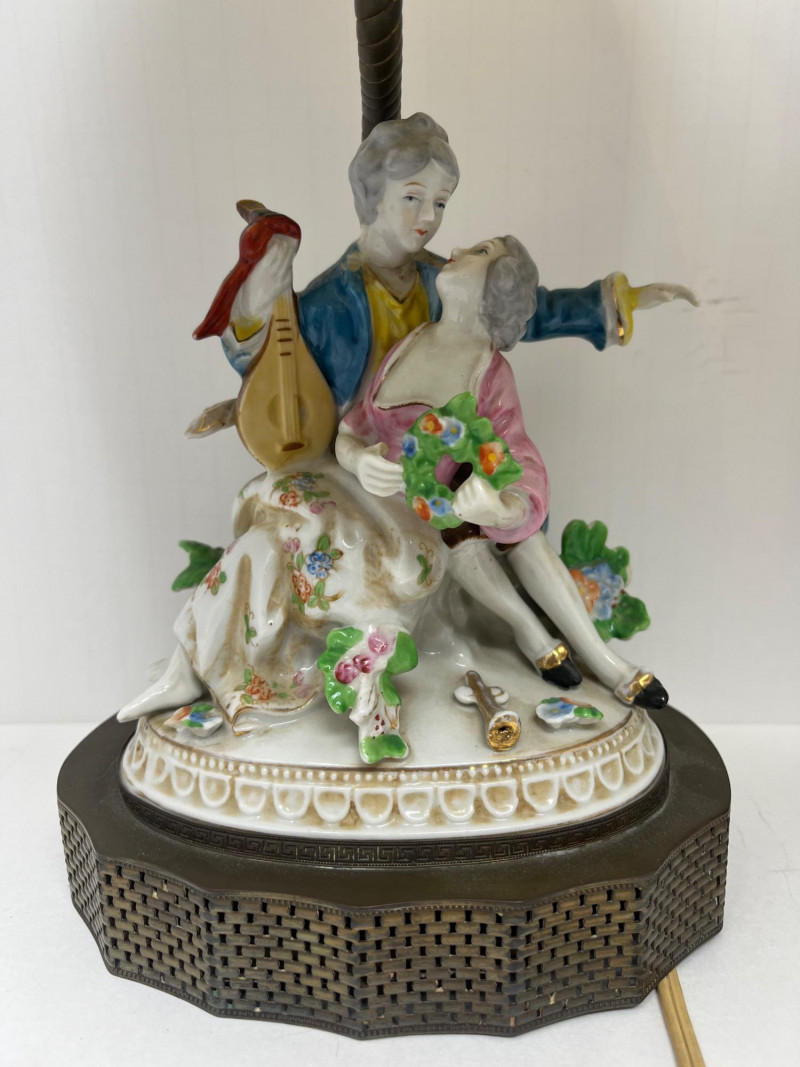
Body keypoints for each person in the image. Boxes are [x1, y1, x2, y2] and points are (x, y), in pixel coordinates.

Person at [335, 235, 667, 709]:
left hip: (444, 502)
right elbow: (354, 426)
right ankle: (531, 633)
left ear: (500, 283)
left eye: (481, 251)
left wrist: (500, 507)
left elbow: (515, 451)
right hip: (382, 503)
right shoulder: (409, 343)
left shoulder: (488, 372)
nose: (458, 249)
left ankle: (607, 662)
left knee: (509, 533)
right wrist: (357, 460)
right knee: (454, 536)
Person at [218, 113, 695, 413]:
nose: (429, 217)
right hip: (358, 459)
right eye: (413, 197)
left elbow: (522, 311)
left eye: (441, 203)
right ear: (372, 195)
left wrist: (615, 302)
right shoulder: (331, 301)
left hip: (440, 446)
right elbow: (270, 367)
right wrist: (254, 307)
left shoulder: (441, 280)